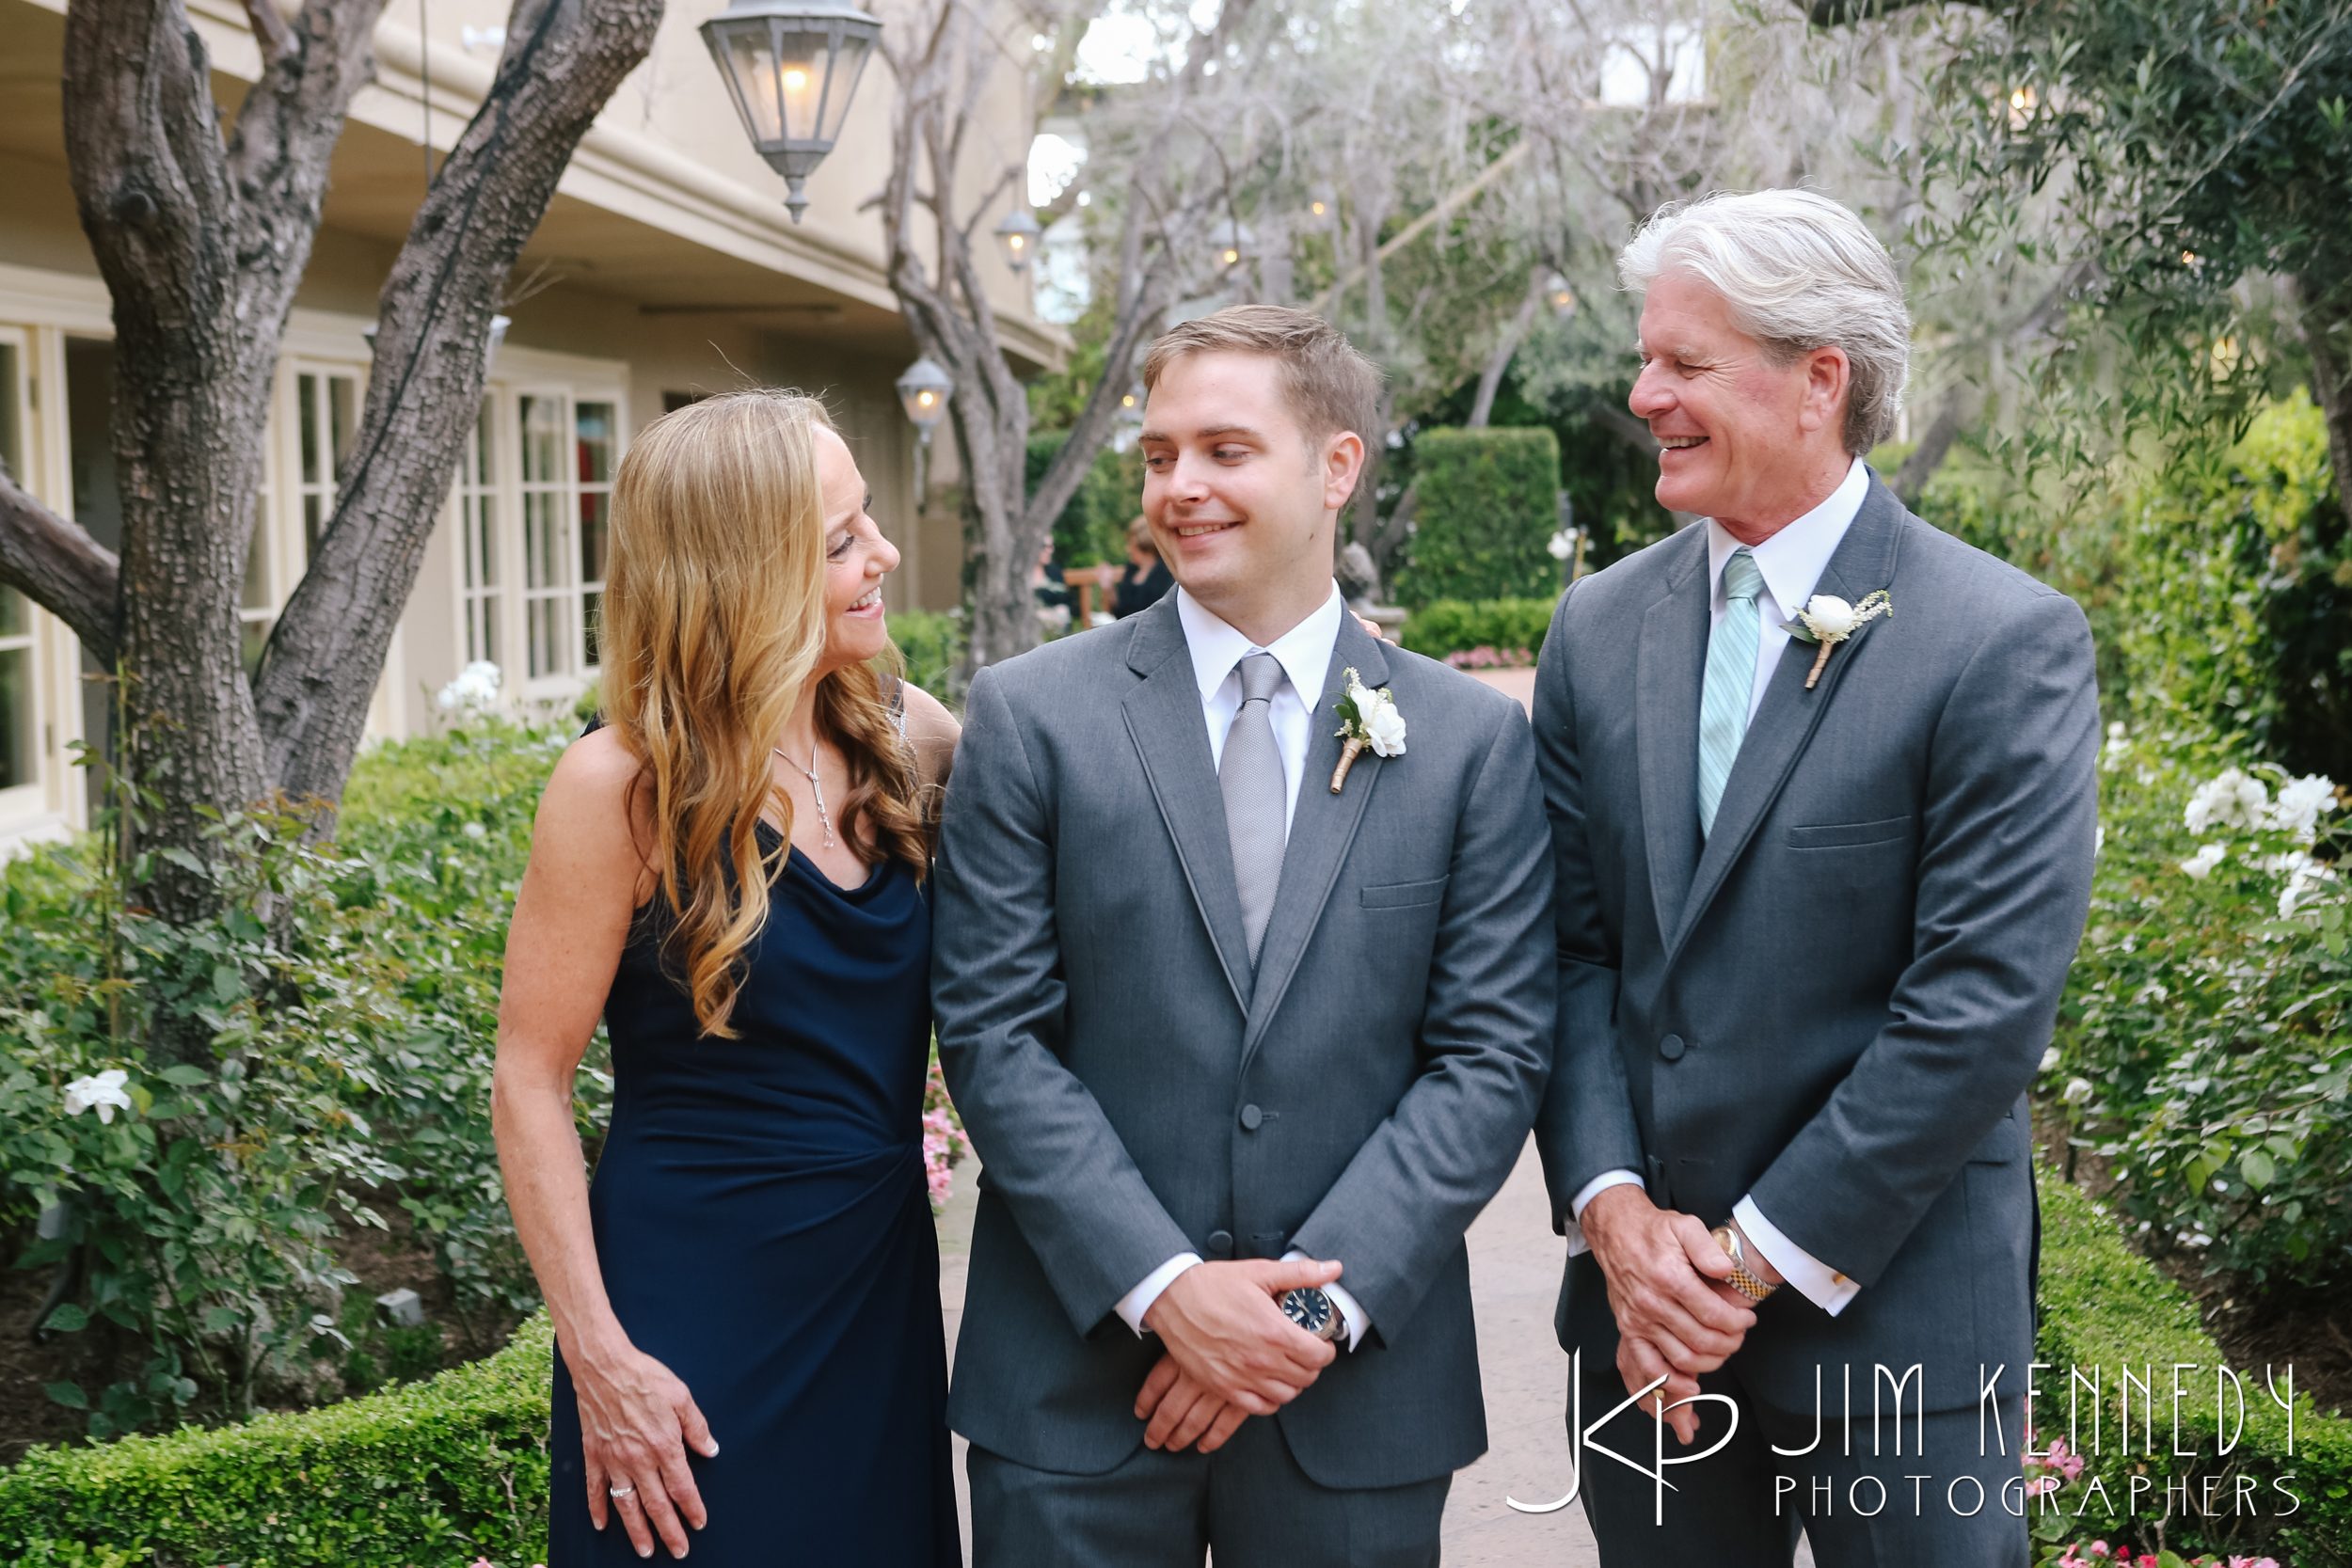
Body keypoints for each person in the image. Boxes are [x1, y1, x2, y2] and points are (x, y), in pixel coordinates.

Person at [930, 304, 1555, 1568]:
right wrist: (1166, 1289)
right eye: (1160, 456)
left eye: (1225, 449)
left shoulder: (1469, 742)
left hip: (1355, 1400)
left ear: (1337, 467)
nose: (1181, 487)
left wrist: (1302, 1316)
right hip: (1076, 1389)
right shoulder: (1031, 717)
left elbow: (1489, 1056)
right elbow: (997, 1035)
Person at [1530, 189, 2098, 1565]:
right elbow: (1567, 956)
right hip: (1642, 1338)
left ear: (1819, 378)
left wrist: (1736, 1264)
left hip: (1900, 1333)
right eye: (1645, 355)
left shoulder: (2001, 641)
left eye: (1683, 362)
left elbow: (1978, 1005)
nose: (1642, 390)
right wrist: (1614, 1216)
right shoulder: (1595, 630)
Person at [492, 390, 962, 1566]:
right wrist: (598, 1355)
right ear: (744, 573)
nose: (883, 555)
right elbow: (528, 1080)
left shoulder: (914, 740)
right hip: (683, 1307)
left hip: (873, 1289)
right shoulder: (620, 787)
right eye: (843, 538)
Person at [1112, 514, 1175, 617]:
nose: (1128, 549)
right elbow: (1120, 611)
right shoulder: (1131, 571)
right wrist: (1108, 586)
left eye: (1131, 543)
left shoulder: (1167, 573)